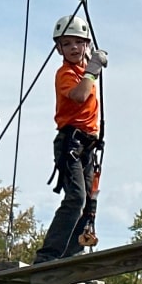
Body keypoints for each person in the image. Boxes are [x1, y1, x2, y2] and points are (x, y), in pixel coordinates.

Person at [33, 15, 107, 264]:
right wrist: (93, 70)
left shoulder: (83, 71)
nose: (73, 48)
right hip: (70, 144)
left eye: (78, 42)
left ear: (86, 45)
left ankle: (72, 253)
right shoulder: (66, 73)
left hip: (86, 145)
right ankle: (48, 254)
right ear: (59, 49)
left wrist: (91, 67)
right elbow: (79, 96)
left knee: (86, 201)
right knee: (75, 198)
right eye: (67, 44)